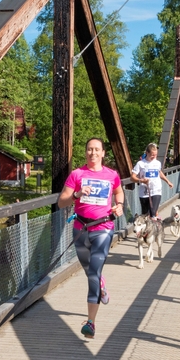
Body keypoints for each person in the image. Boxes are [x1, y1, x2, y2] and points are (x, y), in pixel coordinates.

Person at [58, 137, 125, 340]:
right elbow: (61, 203)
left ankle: (90, 323)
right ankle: (102, 286)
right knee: (89, 272)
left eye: (97, 150)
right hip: (80, 228)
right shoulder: (77, 174)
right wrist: (76, 195)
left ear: (103, 153)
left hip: (103, 228)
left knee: (94, 272)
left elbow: (119, 191)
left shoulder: (112, 175)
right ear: (85, 152)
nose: (93, 153)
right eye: (89, 149)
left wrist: (119, 205)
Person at [131, 143, 173, 219]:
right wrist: (141, 180)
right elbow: (132, 177)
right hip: (144, 192)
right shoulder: (140, 164)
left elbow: (159, 173)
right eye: (152, 155)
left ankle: (154, 227)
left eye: (155, 155)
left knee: (152, 213)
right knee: (145, 215)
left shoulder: (157, 163)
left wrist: (168, 181)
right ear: (147, 153)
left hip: (156, 190)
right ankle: (148, 229)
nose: (154, 157)